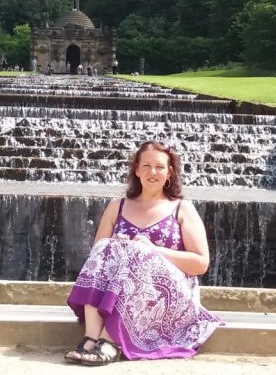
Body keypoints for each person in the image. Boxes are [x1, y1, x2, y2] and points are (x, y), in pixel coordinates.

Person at [65, 142, 221, 365]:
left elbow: (201, 263)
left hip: (167, 297)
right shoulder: (116, 206)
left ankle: (110, 342)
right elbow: (96, 261)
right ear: (136, 170)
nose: (152, 172)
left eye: (159, 167)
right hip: (119, 288)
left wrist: (153, 250)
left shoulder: (182, 208)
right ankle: (91, 336)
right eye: (146, 165)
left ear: (170, 173)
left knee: (139, 252)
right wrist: (120, 246)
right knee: (105, 247)